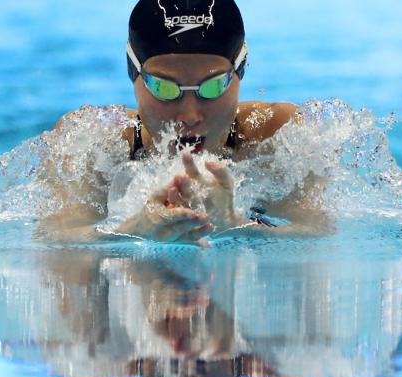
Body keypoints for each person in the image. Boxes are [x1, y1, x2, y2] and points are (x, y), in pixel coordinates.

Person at [39, 0, 329, 246]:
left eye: (212, 87)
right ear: (133, 73)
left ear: (240, 71)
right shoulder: (92, 145)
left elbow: (319, 238)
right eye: (165, 88)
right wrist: (130, 232)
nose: (190, 115)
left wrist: (235, 225)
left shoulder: (277, 138)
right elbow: (55, 243)